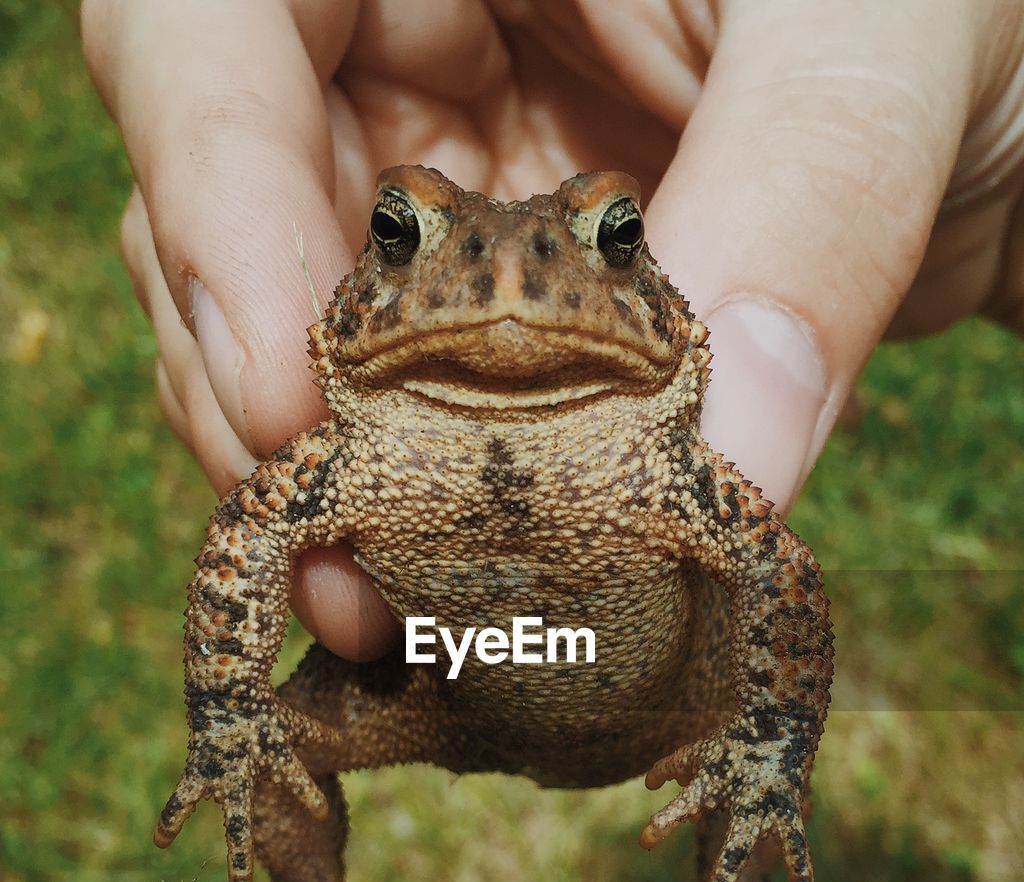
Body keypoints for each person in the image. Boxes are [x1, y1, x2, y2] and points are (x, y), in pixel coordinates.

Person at [82, 0, 1024, 661]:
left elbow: (779, 583)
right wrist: (232, 720)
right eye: (400, 235)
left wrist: (767, 755)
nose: (508, 281)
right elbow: (245, 545)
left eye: (612, 239)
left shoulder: (678, 462)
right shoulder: (340, 457)